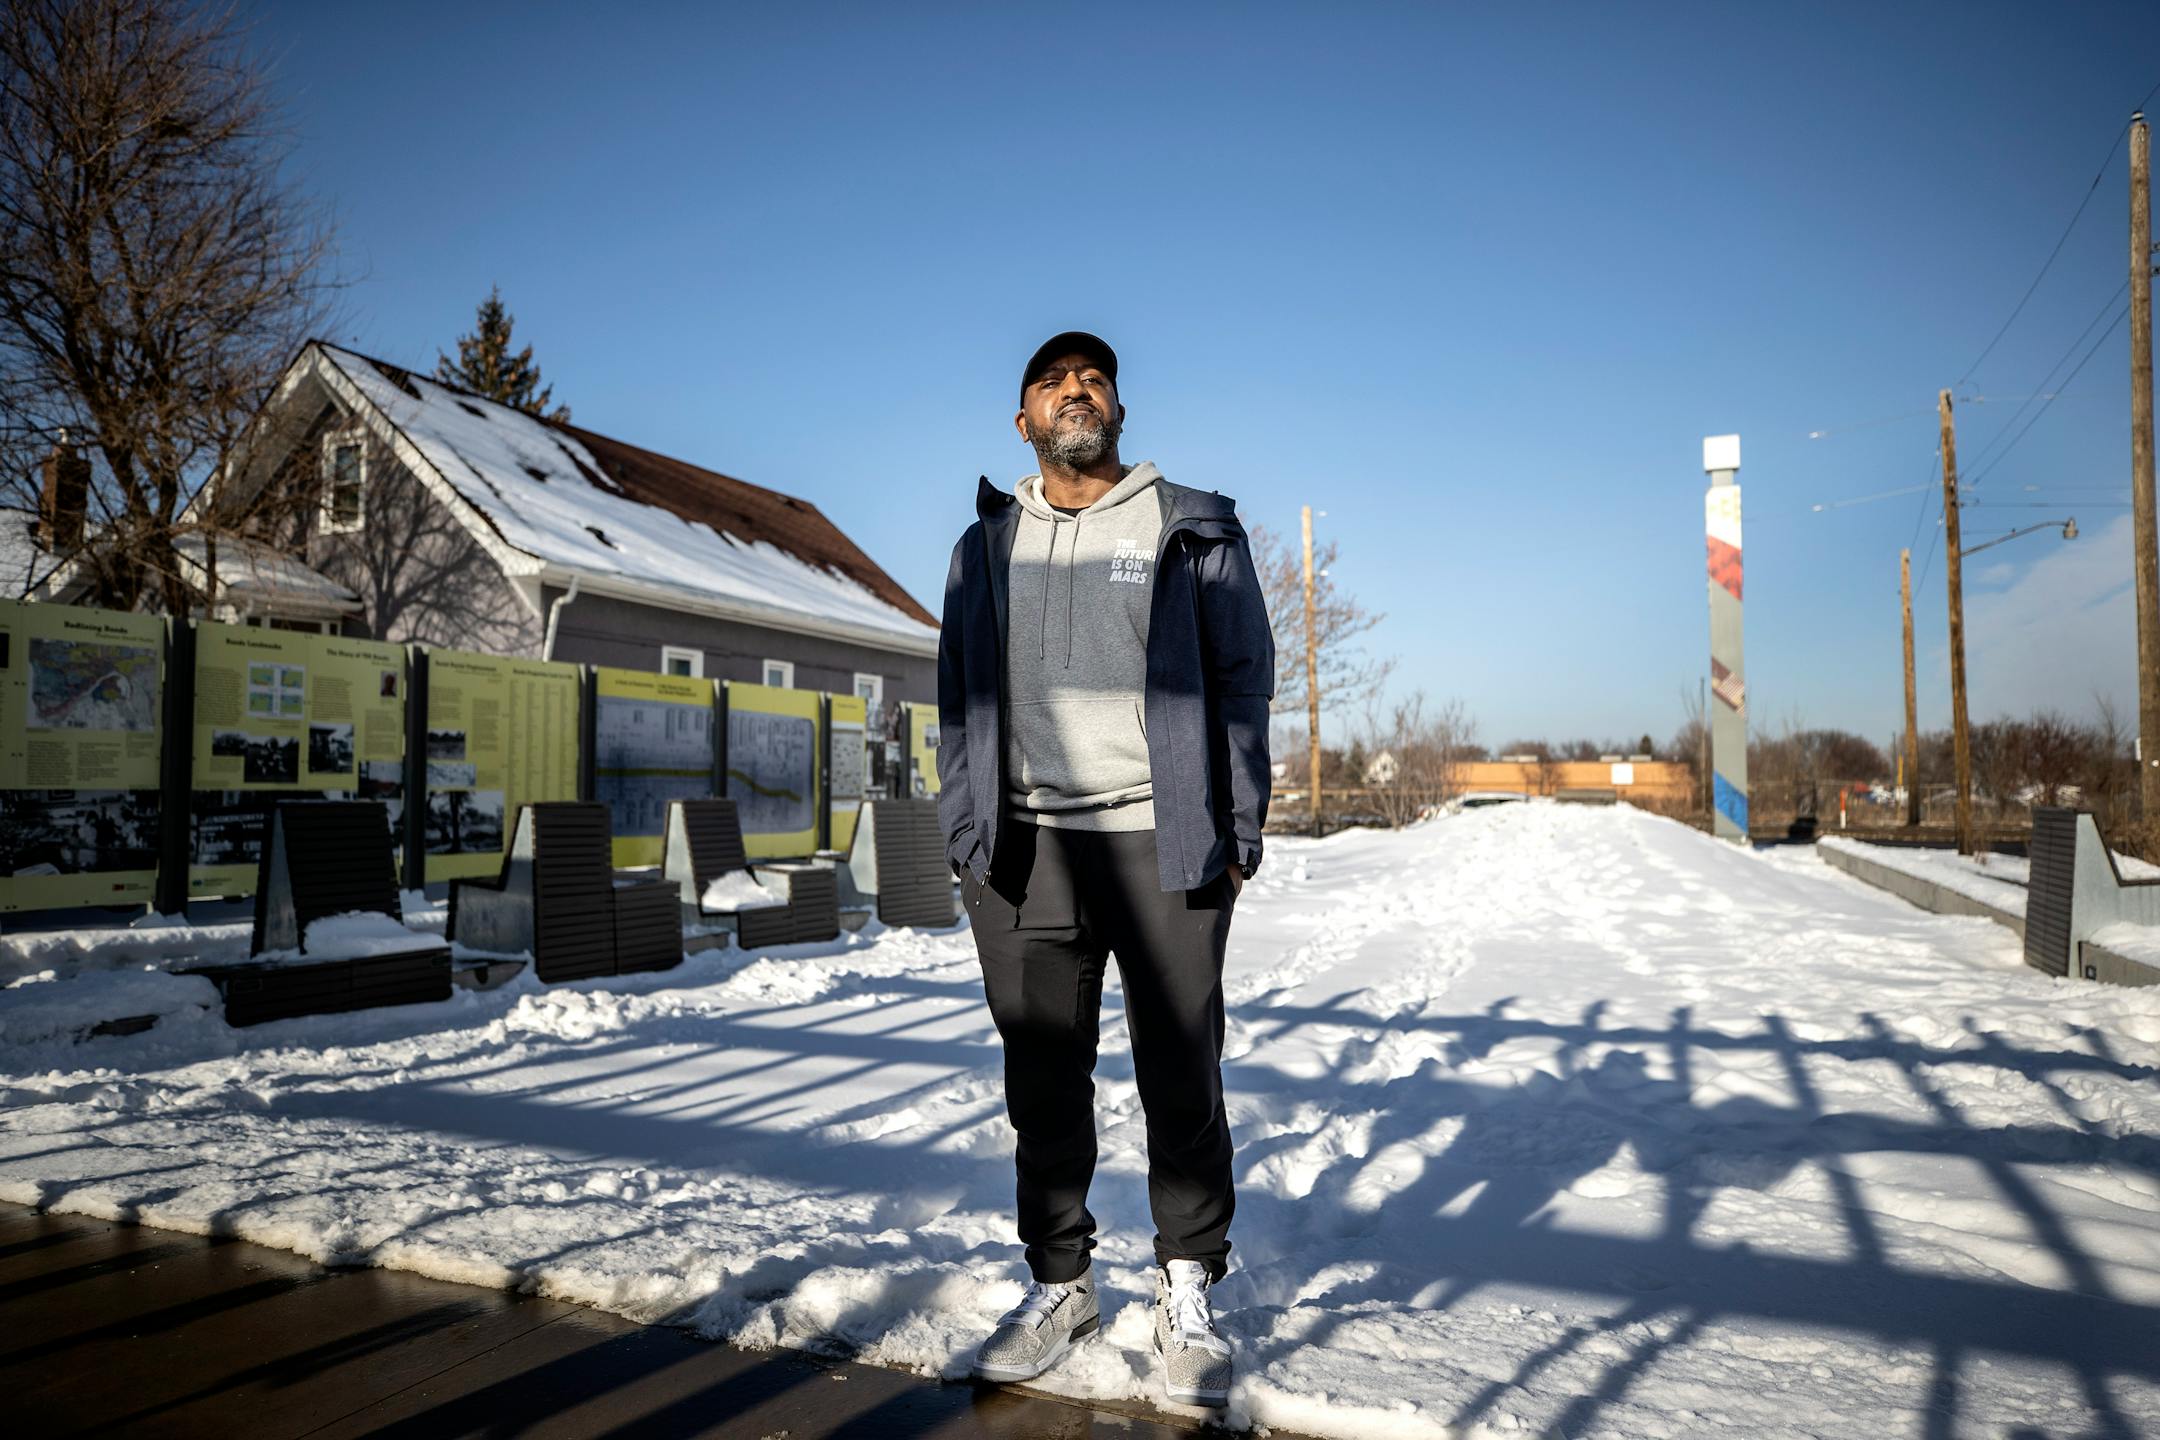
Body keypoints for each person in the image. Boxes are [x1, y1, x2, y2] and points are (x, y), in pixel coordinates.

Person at [937, 331, 1274, 1407]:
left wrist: (1240, 826)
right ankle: (1061, 1283)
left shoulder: (1192, 528)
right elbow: (955, 699)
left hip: (1162, 834)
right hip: (1026, 848)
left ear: (1119, 413)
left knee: (1183, 1071)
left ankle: (1185, 1283)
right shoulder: (982, 548)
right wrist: (966, 833)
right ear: (1024, 421)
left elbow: (1244, 681)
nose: (1076, 391)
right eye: (1052, 382)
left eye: (1095, 380)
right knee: (1043, 1079)